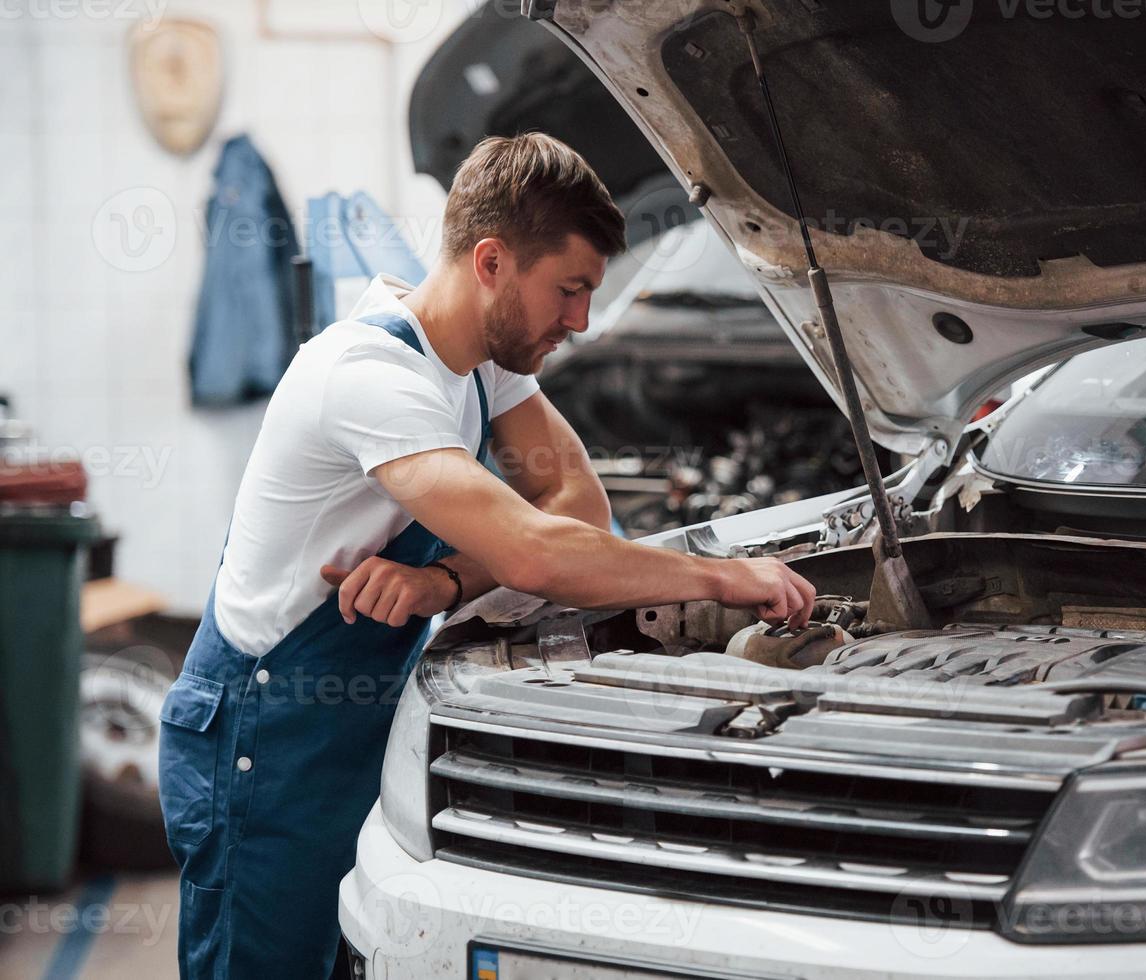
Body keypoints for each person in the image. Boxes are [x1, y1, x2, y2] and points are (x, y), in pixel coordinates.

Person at [158, 132, 817, 979]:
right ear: (494, 262)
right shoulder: (366, 377)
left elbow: (580, 503)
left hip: (345, 730)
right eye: (569, 291)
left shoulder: (480, 366)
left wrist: (444, 579)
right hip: (263, 740)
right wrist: (727, 576)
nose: (579, 323)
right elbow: (541, 554)